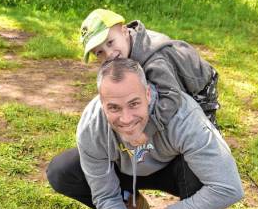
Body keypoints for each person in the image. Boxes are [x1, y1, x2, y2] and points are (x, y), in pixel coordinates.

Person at [47, 58, 244, 209]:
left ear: (149, 95)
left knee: (201, 170)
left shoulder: (184, 118)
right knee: (63, 170)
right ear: (101, 104)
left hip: (174, 169)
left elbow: (229, 188)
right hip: (124, 169)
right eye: (113, 108)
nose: (126, 119)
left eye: (134, 104)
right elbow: (104, 194)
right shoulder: (92, 126)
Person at [80, 8, 220, 127]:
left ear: (124, 31)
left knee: (198, 126)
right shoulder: (123, 50)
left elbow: (170, 96)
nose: (109, 54)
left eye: (110, 42)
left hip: (199, 83)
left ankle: (212, 153)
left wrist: (150, 128)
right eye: (99, 52)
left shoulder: (154, 60)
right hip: (169, 79)